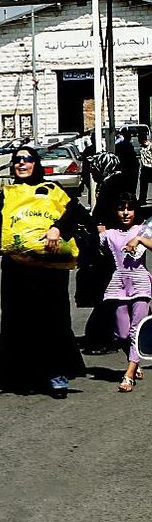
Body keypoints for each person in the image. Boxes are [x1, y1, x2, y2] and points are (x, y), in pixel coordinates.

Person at [0, 146, 87, 398]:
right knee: (18, 319)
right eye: (17, 160)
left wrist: (57, 229)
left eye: (27, 159)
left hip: (49, 270)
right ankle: (22, 374)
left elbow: (76, 213)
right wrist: (3, 248)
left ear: (36, 164)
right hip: (16, 270)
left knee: (53, 318)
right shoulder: (6, 194)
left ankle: (57, 373)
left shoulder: (53, 190)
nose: (22, 164)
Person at [104, 196, 151, 392]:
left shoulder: (142, 230)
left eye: (129, 209)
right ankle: (135, 360)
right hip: (118, 285)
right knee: (122, 333)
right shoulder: (109, 234)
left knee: (136, 330)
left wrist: (139, 239)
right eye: (121, 209)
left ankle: (129, 374)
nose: (125, 213)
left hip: (141, 285)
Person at [117, 128, 139, 193]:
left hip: (125, 167)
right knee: (130, 184)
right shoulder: (127, 145)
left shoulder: (120, 145)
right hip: (128, 167)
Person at [138, 133, 152, 204]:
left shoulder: (150, 145)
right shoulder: (142, 147)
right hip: (144, 168)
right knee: (143, 184)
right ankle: (142, 199)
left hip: (150, 167)